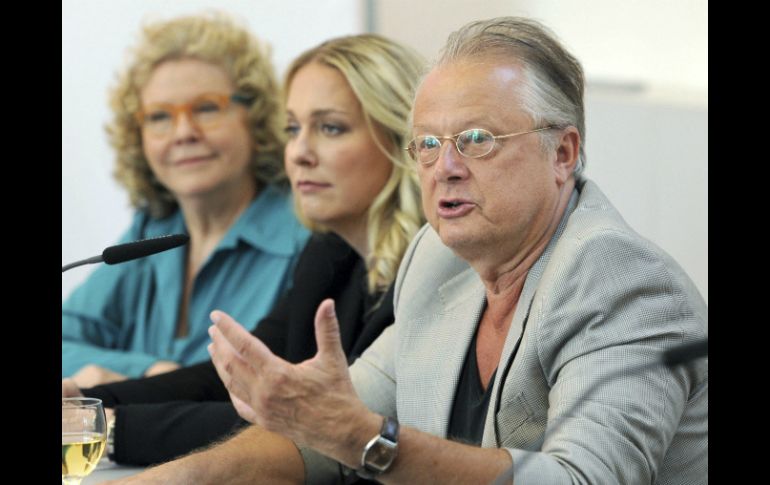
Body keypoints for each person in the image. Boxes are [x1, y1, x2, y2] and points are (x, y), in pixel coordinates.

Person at [111, 17, 708, 485]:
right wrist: (166, 481)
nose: (444, 167)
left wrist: (364, 439)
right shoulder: (436, 259)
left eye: (476, 140)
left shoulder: (620, 280)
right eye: (426, 144)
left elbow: (583, 479)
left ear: (563, 153)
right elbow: (319, 440)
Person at [63, 33, 425, 468]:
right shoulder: (331, 253)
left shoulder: (427, 269)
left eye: (330, 128)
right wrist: (86, 399)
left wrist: (107, 426)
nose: (300, 153)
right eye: (293, 129)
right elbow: (235, 377)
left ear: (403, 137)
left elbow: (305, 424)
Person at [61, 14, 310, 388]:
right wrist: (149, 371)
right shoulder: (151, 229)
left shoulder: (305, 234)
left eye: (206, 108)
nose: (183, 133)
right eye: (159, 116)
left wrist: (143, 382)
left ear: (257, 118)